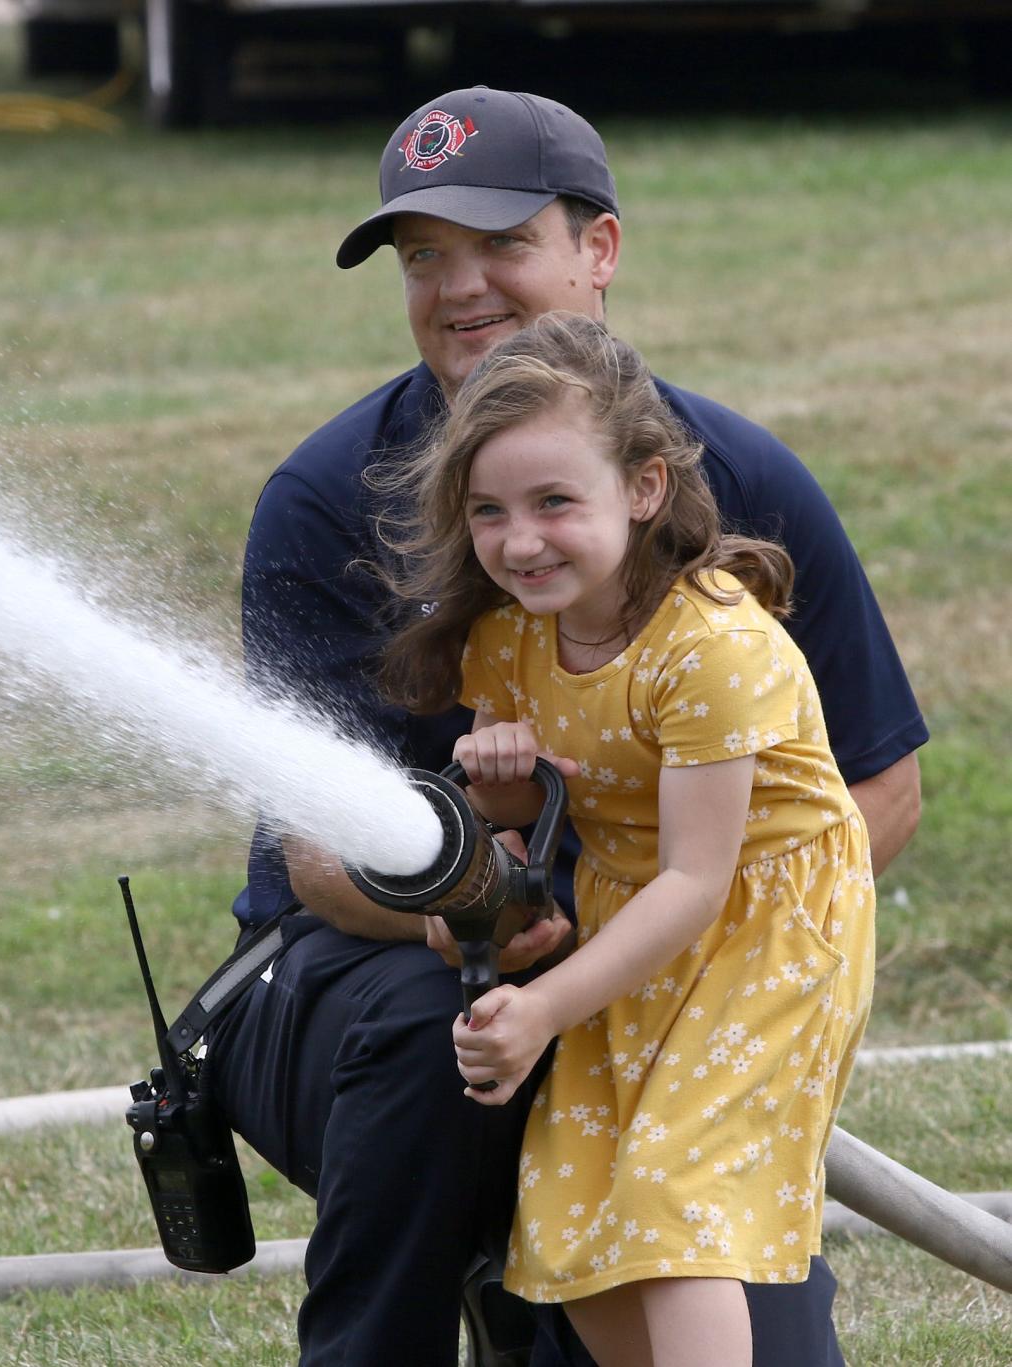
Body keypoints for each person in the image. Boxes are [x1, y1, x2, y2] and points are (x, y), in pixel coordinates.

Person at [206, 86, 926, 1367]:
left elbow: (879, 791)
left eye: (501, 244)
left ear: (599, 251)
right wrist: (476, 912)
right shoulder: (329, 500)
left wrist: (707, 982)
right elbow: (318, 856)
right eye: (423, 255)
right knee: (448, 1034)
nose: (458, 287)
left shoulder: (740, 478)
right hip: (357, 979)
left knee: (728, 1317)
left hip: (660, 968)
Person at [378, 310, 876, 1367]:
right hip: (625, 918)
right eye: (489, 511)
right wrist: (496, 800)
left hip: (763, 929)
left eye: (556, 501)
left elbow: (699, 879)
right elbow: (536, 822)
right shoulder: (509, 636)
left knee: (671, 1192)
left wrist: (544, 1004)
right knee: (573, 1214)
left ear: (643, 488)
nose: (519, 540)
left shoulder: (712, 642)